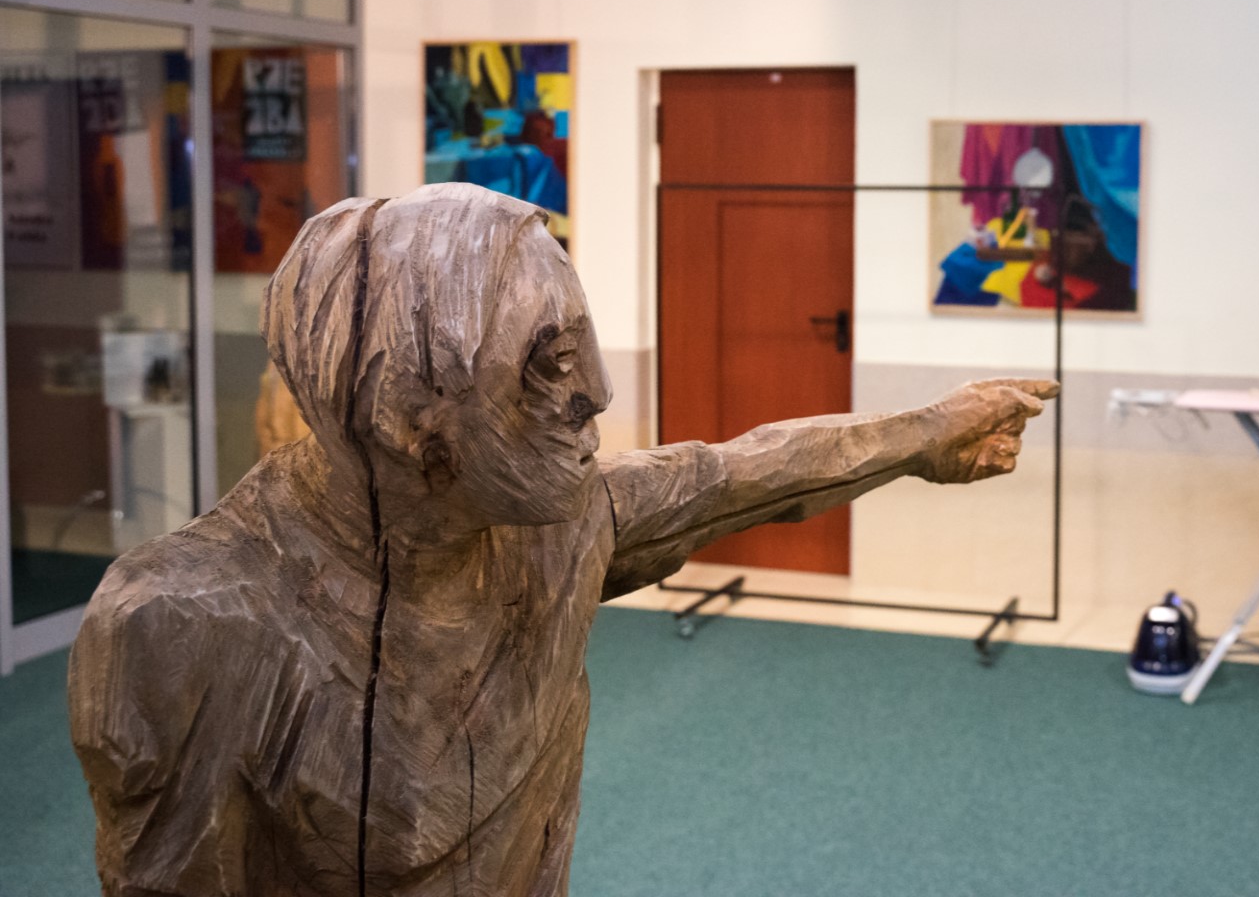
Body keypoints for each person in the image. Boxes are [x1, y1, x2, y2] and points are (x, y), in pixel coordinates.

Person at [67, 185, 1056, 897]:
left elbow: (742, 471)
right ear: (410, 417)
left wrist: (927, 432)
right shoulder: (186, 626)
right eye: (548, 365)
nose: (597, 395)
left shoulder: (559, 527)